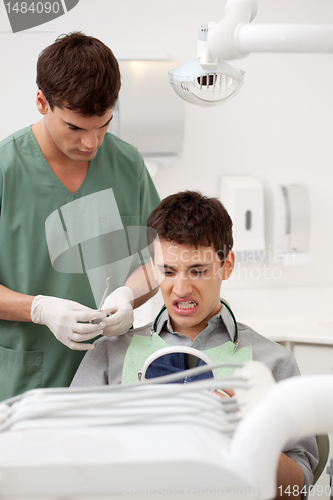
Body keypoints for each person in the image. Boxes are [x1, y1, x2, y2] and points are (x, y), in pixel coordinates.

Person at [71, 190, 318, 500]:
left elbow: (296, 489)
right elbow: (66, 460)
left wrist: (249, 430)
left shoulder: (274, 363)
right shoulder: (110, 353)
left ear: (227, 265)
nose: (181, 289)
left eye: (198, 271)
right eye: (168, 271)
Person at [0, 32, 160, 401]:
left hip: (112, 379)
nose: (92, 143)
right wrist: (38, 309)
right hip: (25, 383)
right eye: (75, 127)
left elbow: (163, 259)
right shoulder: (7, 169)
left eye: (103, 124)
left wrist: (128, 294)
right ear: (42, 102)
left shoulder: (127, 163)